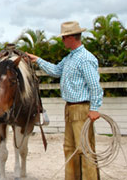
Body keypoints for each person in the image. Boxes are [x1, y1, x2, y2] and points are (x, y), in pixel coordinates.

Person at [26, 21, 102, 180]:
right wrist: (37, 60)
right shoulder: (70, 58)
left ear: (70, 38)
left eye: (63, 38)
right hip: (70, 108)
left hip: (81, 109)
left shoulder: (85, 58)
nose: (62, 41)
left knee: (84, 149)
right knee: (69, 148)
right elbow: (56, 71)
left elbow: (95, 85)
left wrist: (94, 108)